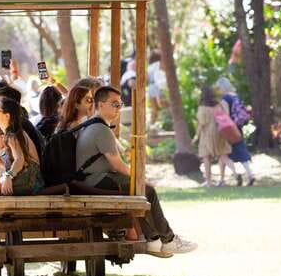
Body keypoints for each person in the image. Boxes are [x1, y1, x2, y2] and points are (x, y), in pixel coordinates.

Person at [75, 85, 196, 256]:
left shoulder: (93, 125)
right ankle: (168, 240)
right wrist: (140, 179)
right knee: (147, 190)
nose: (118, 108)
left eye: (120, 104)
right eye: (114, 104)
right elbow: (117, 165)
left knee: (140, 191)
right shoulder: (101, 129)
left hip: (95, 179)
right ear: (100, 105)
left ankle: (153, 240)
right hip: (97, 180)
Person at [215, 77, 255, 186]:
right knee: (241, 150)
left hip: (229, 128)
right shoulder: (236, 96)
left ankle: (236, 175)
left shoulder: (225, 99)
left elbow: (226, 115)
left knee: (223, 153)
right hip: (238, 127)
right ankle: (250, 174)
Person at [196, 85, 233, 187]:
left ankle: (208, 181)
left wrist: (196, 136)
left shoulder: (202, 107)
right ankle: (221, 180)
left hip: (206, 134)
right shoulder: (220, 104)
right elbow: (227, 116)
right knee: (222, 154)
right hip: (220, 133)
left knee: (206, 157)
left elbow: (202, 123)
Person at [147, 50, 165, 126]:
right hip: (158, 86)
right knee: (164, 105)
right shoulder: (159, 64)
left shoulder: (149, 67)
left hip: (151, 87)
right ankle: (166, 123)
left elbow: (147, 79)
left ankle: (151, 125)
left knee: (154, 109)